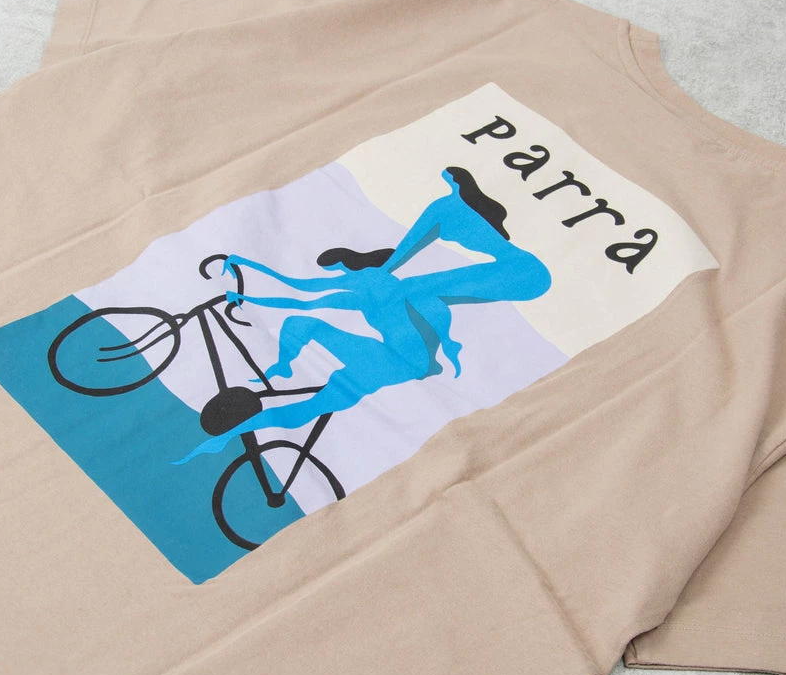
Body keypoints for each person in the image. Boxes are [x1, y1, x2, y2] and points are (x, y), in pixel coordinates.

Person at [174, 167, 550, 462]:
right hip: (391, 357)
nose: (344, 278)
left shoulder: (388, 292)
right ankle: (463, 216)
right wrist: (247, 285)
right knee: (310, 345)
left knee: (316, 382)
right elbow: (301, 295)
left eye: (346, 272)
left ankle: (462, 216)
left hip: (399, 358)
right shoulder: (374, 295)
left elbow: (302, 293)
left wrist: (248, 285)